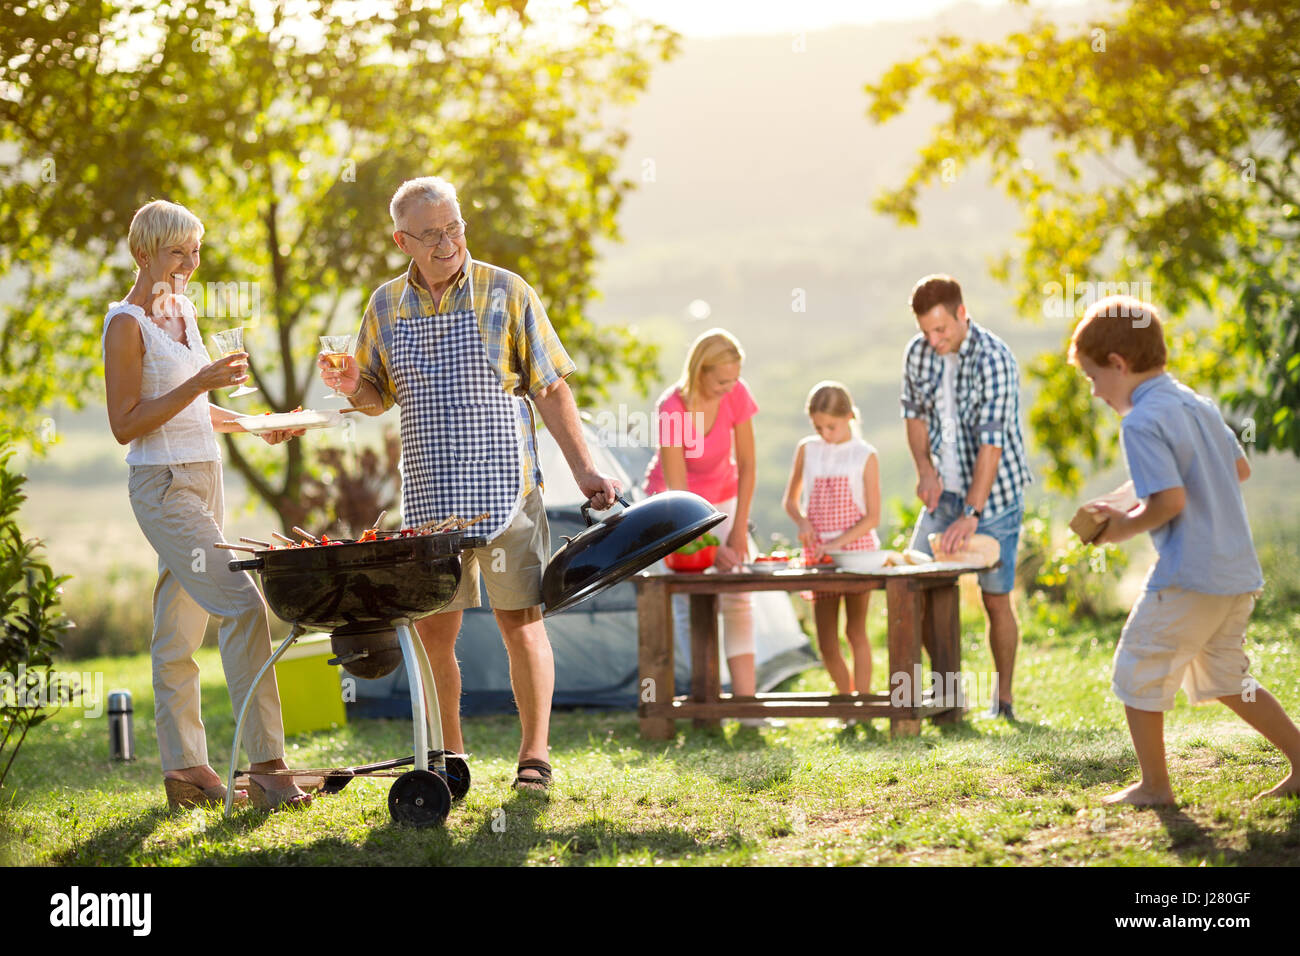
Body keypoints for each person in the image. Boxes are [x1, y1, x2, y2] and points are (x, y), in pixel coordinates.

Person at [319, 176, 619, 792]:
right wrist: (352, 384)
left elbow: (551, 387)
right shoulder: (384, 306)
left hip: (507, 493)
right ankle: (449, 763)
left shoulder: (507, 291)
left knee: (522, 622)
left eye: (453, 227)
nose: (446, 241)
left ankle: (533, 757)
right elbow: (377, 395)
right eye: (430, 234)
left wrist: (586, 469)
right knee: (435, 634)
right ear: (402, 239)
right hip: (431, 500)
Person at [103, 199, 310, 811]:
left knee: (177, 630)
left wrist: (254, 425)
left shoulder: (183, 312)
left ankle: (187, 771)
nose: (190, 264)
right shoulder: (126, 324)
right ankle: (269, 768)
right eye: (177, 253)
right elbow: (126, 424)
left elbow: (196, 411)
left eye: (195, 252)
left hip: (204, 477)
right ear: (145, 254)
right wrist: (199, 381)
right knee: (243, 604)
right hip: (162, 486)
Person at [1070, 295, 1300, 805]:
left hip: (1188, 575)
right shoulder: (1195, 403)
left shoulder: (1139, 422)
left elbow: (1169, 500)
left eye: (1093, 379)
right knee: (1225, 677)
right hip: (1236, 572)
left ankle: (1155, 787)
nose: (1095, 393)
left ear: (1118, 364)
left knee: (1137, 663)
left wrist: (1119, 528)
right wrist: (1128, 494)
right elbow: (1237, 469)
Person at [900, 275, 1032, 720]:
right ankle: (948, 697)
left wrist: (972, 513)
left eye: (941, 330)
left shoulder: (994, 359)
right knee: (912, 585)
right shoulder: (919, 353)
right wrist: (926, 471)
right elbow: (914, 415)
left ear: (961, 313)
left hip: (994, 496)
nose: (933, 340)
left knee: (996, 599)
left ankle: (1005, 702)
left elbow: (991, 445)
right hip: (945, 494)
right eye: (926, 331)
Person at [643, 328, 759, 701]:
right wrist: (708, 548)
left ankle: (746, 703)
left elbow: (748, 465)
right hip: (675, 509)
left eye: (735, 380)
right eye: (722, 380)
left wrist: (738, 532)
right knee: (687, 600)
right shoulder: (672, 408)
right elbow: (680, 498)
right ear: (700, 371)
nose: (730, 388)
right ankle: (705, 700)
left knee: (738, 594)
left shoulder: (736, 394)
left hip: (723, 502)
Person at [782, 381, 881, 696]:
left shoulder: (865, 455)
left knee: (855, 631)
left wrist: (838, 544)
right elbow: (791, 500)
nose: (825, 433)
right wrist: (802, 522)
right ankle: (846, 700)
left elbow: (873, 518)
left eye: (832, 426)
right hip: (818, 556)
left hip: (856, 554)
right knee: (826, 640)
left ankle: (862, 705)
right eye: (819, 426)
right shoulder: (807, 449)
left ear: (850, 416)